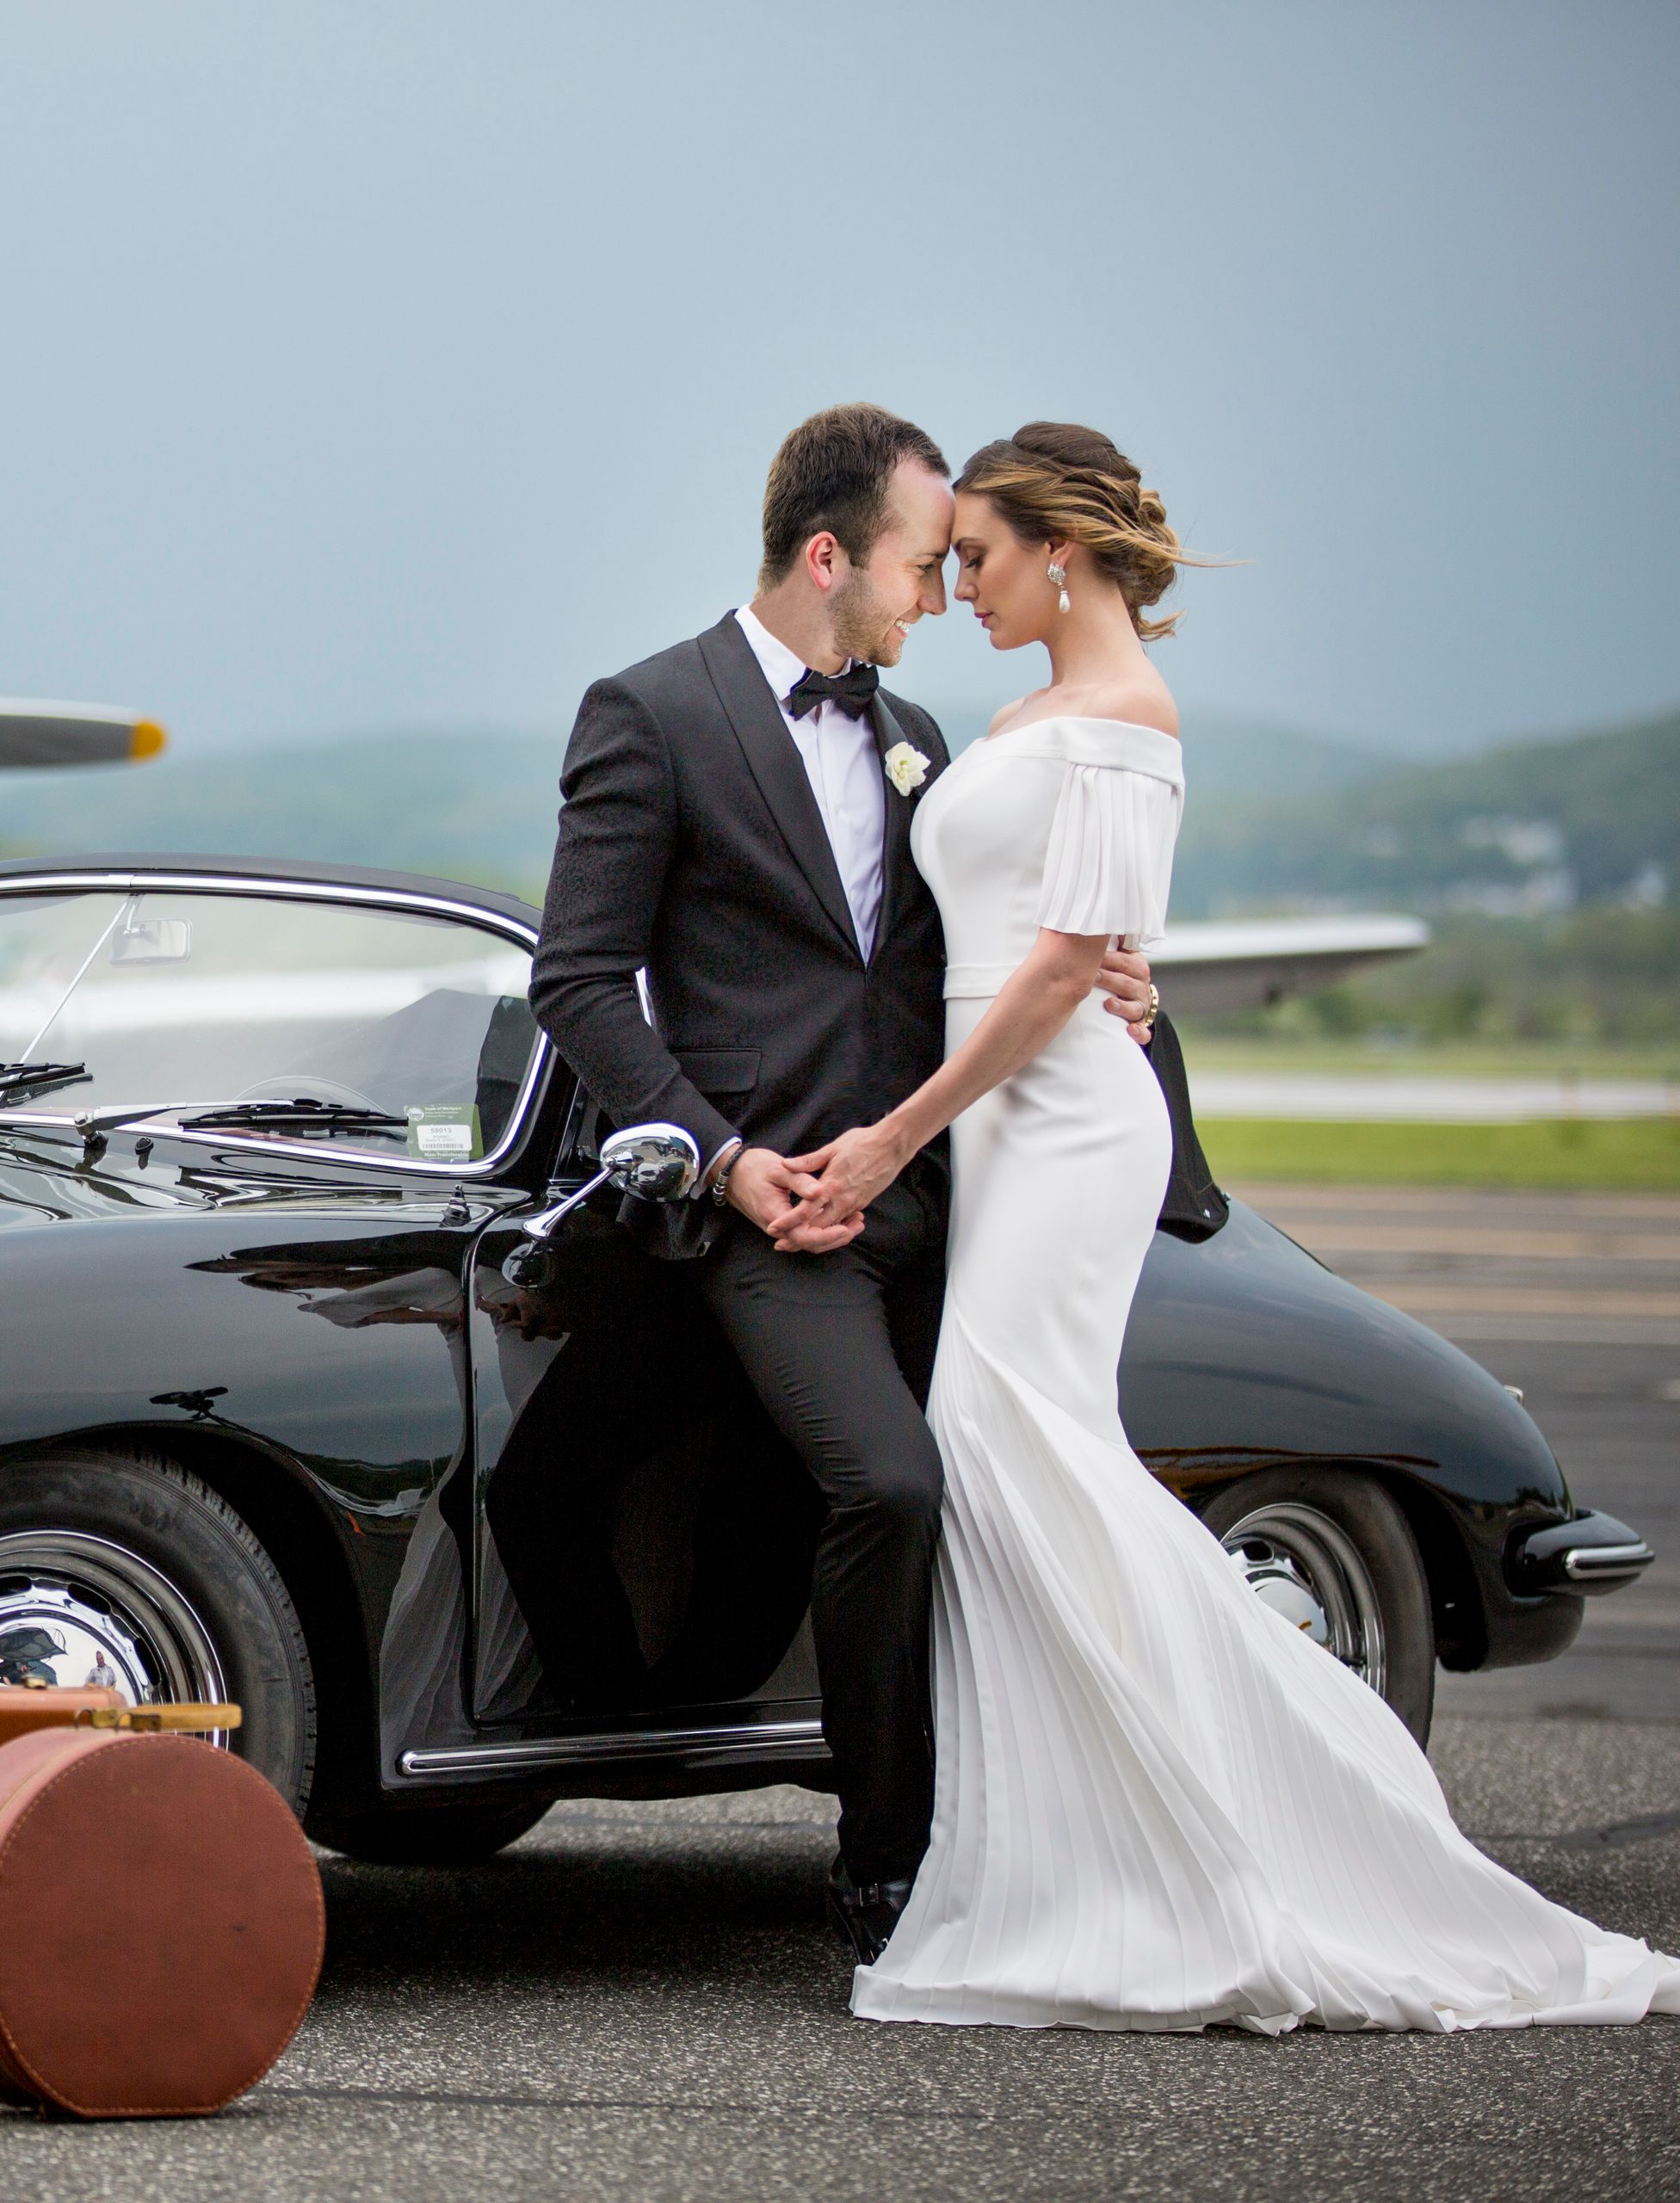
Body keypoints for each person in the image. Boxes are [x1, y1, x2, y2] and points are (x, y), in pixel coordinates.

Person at [778, 421, 1680, 2030]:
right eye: (949, 559)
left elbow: (1059, 969)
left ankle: (1247, 1810)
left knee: (1004, 1434)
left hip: (1059, 1122)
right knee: (1010, 1450)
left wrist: (900, 1133)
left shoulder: (1128, 716)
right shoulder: (1029, 711)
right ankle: (1096, 1845)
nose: (957, 583)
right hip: (1007, 1111)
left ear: (1066, 551)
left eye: (978, 555)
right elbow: (1023, 940)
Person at [528, 404, 1158, 1962]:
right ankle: (888, 1868)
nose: (941, 600)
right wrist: (731, 1167)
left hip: (949, 1197)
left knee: (1045, 1486)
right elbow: (581, 982)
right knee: (889, 1485)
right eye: (920, 569)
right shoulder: (650, 713)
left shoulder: (925, 742)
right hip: (780, 1215)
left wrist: (1114, 980)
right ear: (830, 557)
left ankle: (1073, 1833)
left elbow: (978, 958)